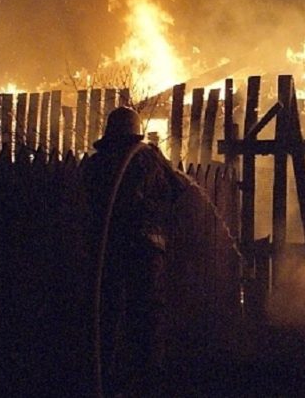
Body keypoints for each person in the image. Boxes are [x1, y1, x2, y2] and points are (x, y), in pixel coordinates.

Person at [83, 106, 190, 397]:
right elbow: (178, 187)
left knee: (109, 310)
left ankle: (112, 377)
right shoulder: (148, 158)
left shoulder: (98, 163)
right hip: (146, 248)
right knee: (146, 312)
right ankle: (145, 378)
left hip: (109, 248)